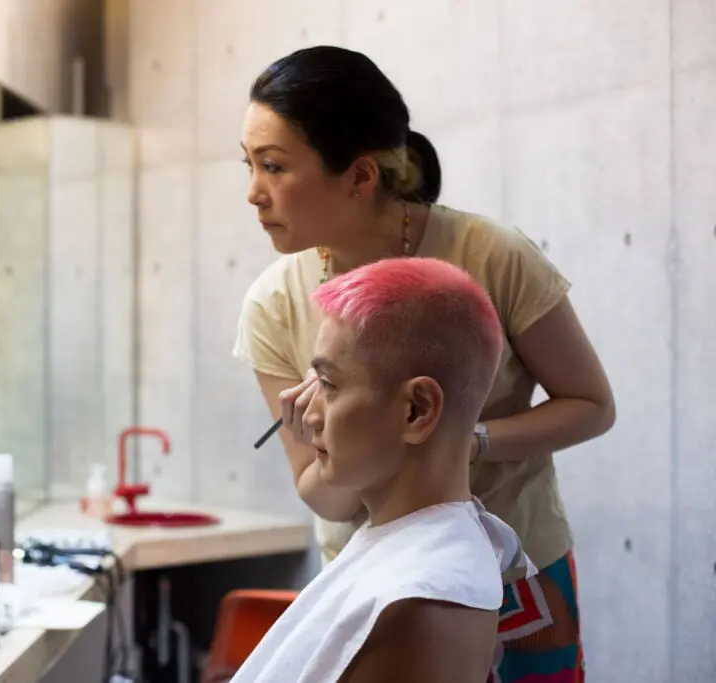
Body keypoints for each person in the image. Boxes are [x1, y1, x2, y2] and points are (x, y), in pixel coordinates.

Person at [234, 46, 615, 682]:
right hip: (378, 584)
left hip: (519, 569)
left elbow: (593, 406)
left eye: (273, 166)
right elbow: (327, 500)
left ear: (360, 176)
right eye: (248, 165)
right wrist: (330, 442)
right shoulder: (273, 304)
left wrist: (465, 441)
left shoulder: (493, 256)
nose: (253, 193)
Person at [232, 257, 533, 683]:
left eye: (328, 385)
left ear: (416, 410)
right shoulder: (409, 554)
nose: (309, 415)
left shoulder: (421, 601)